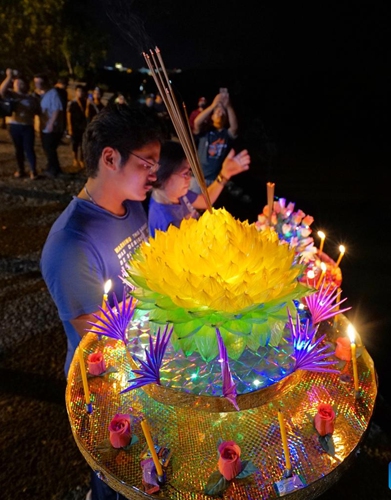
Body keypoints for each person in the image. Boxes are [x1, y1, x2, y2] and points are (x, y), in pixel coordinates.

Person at [40, 103, 166, 500]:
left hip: (147, 369)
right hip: (108, 389)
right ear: (110, 157)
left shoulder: (131, 208)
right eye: (147, 163)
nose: (154, 174)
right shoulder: (70, 245)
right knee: (119, 476)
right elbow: (100, 341)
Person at [148, 139, 250, 236]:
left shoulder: (175, 193)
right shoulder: (165, 222)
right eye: (185, 173)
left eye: (189, 172)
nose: (189, 177)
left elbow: (204, 201)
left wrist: (224, 174)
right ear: (163, 176)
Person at [190, 90, 239, 193]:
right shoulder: (206, 130)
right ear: (211, 116)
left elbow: (234, 127)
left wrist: (228, 106)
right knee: (192, 206)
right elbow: (196, 122)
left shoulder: (226, 134)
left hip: (214, 179)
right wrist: (213, 105)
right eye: (216, 111)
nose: (219, 113)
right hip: (197, 178)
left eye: (222, 112)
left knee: (209, 208)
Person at [0, 68, 40, 179]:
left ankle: (33, 170)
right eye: (16, 83)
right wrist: (8, 77)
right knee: (18, 149)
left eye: (20, 83)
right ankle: (21, 169)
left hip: (27, 126)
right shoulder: (11, 95)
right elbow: (1, 91)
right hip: (14, 125)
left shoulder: (31, 97)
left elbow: (37, 110)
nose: (18, 85)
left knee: (29, 148)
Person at [33, 73, 65, 178]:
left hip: (51, 126)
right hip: (43, 125)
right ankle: (51, 167)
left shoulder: (53, 93)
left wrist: (51, 123)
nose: (38, 84)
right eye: (36, 82)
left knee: (50, 148)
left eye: (40, 82)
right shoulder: (40, 95)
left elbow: (57, 109)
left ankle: (54, 169)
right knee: (46, 148)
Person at [67, 84, 87, 169]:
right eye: (78, 91)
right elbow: (68, 115)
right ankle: (75, 159)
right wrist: (70, 127)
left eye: (82, 91)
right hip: (74, 126)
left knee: (83, 144)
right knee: (74, 144)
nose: (80, 93)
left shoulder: (86, 102)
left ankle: (82, 159)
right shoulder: (72, 103)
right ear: (75, 92)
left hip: (83, 127)